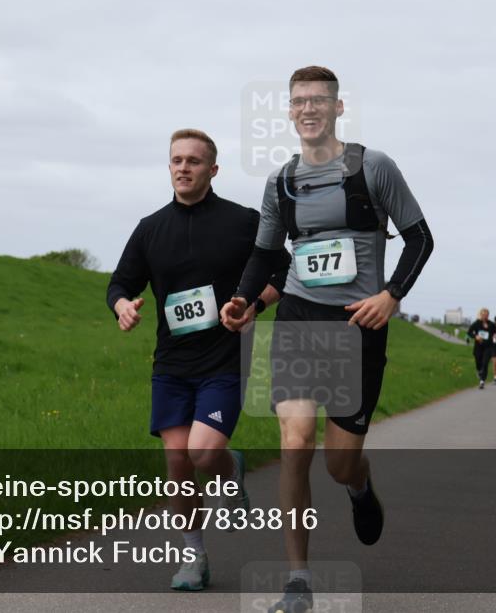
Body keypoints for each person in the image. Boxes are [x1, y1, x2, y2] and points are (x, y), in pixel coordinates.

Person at [220, 66, 433, 613]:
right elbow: (268, 254)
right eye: (298, 102)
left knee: (339, 464)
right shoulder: (280, 182)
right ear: (289, 112)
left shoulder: (373, 167)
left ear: (339, 108)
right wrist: (245, 300)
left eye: (319, 100)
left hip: (356, 327)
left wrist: (391, 295)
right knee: (293, 444)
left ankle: (359, 487)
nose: (308, 109)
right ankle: (298, 582)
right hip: (295, 319)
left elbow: (419, 238)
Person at [106, 129, 290, 591]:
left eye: (193, 161)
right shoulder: (151, 228)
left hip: (224, 360)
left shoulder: (244, 221)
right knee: (178, 464)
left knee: (203, 451)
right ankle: (194, 558)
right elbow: (119, 283)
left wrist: (254, 305)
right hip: (170, 365)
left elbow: (282, 269)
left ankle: (231, 468)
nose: (183, 167)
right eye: (176, 160)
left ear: (212, 169)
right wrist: (123, 306)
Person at [467, 309, 496, 389]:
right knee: (478, 362)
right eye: (483, 315)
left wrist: (495, 335)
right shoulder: (477, 323)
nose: (485, 316)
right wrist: (475, 336)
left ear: (488, 315)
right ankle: (478, 371)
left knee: (485, 363)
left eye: (486, 315)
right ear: (480, 315)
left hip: (488, 347)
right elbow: (469, 332)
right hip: (478, 347)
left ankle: (482, 381)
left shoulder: (491, 324)